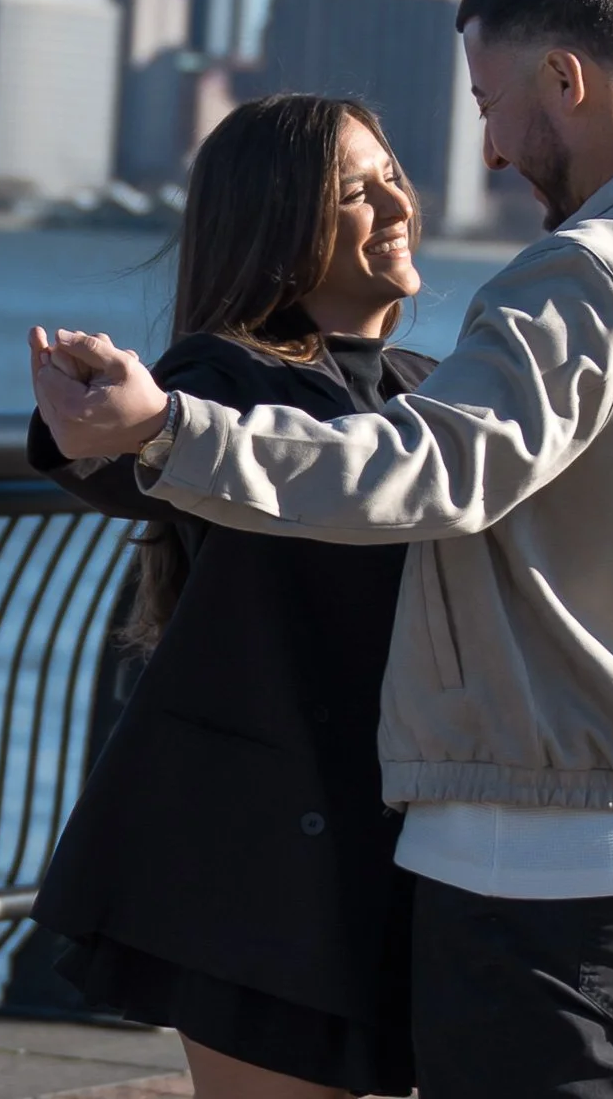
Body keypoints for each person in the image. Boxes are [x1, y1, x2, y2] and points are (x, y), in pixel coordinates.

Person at [35, 0, 613, 1099]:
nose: (491, 147)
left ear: (565, 79)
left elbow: (427, 471)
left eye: (491, 102)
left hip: (555, 861)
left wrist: (164, 429)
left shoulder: (592, 272)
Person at [27, 94, 435, 1099]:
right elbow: (147, 445)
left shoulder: (426, 389)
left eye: (393, 175)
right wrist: (100, 427)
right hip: (258, 861)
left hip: (388, 847)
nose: (395, 203)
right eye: (356, 188)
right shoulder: (232, 379)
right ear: (282, 226)